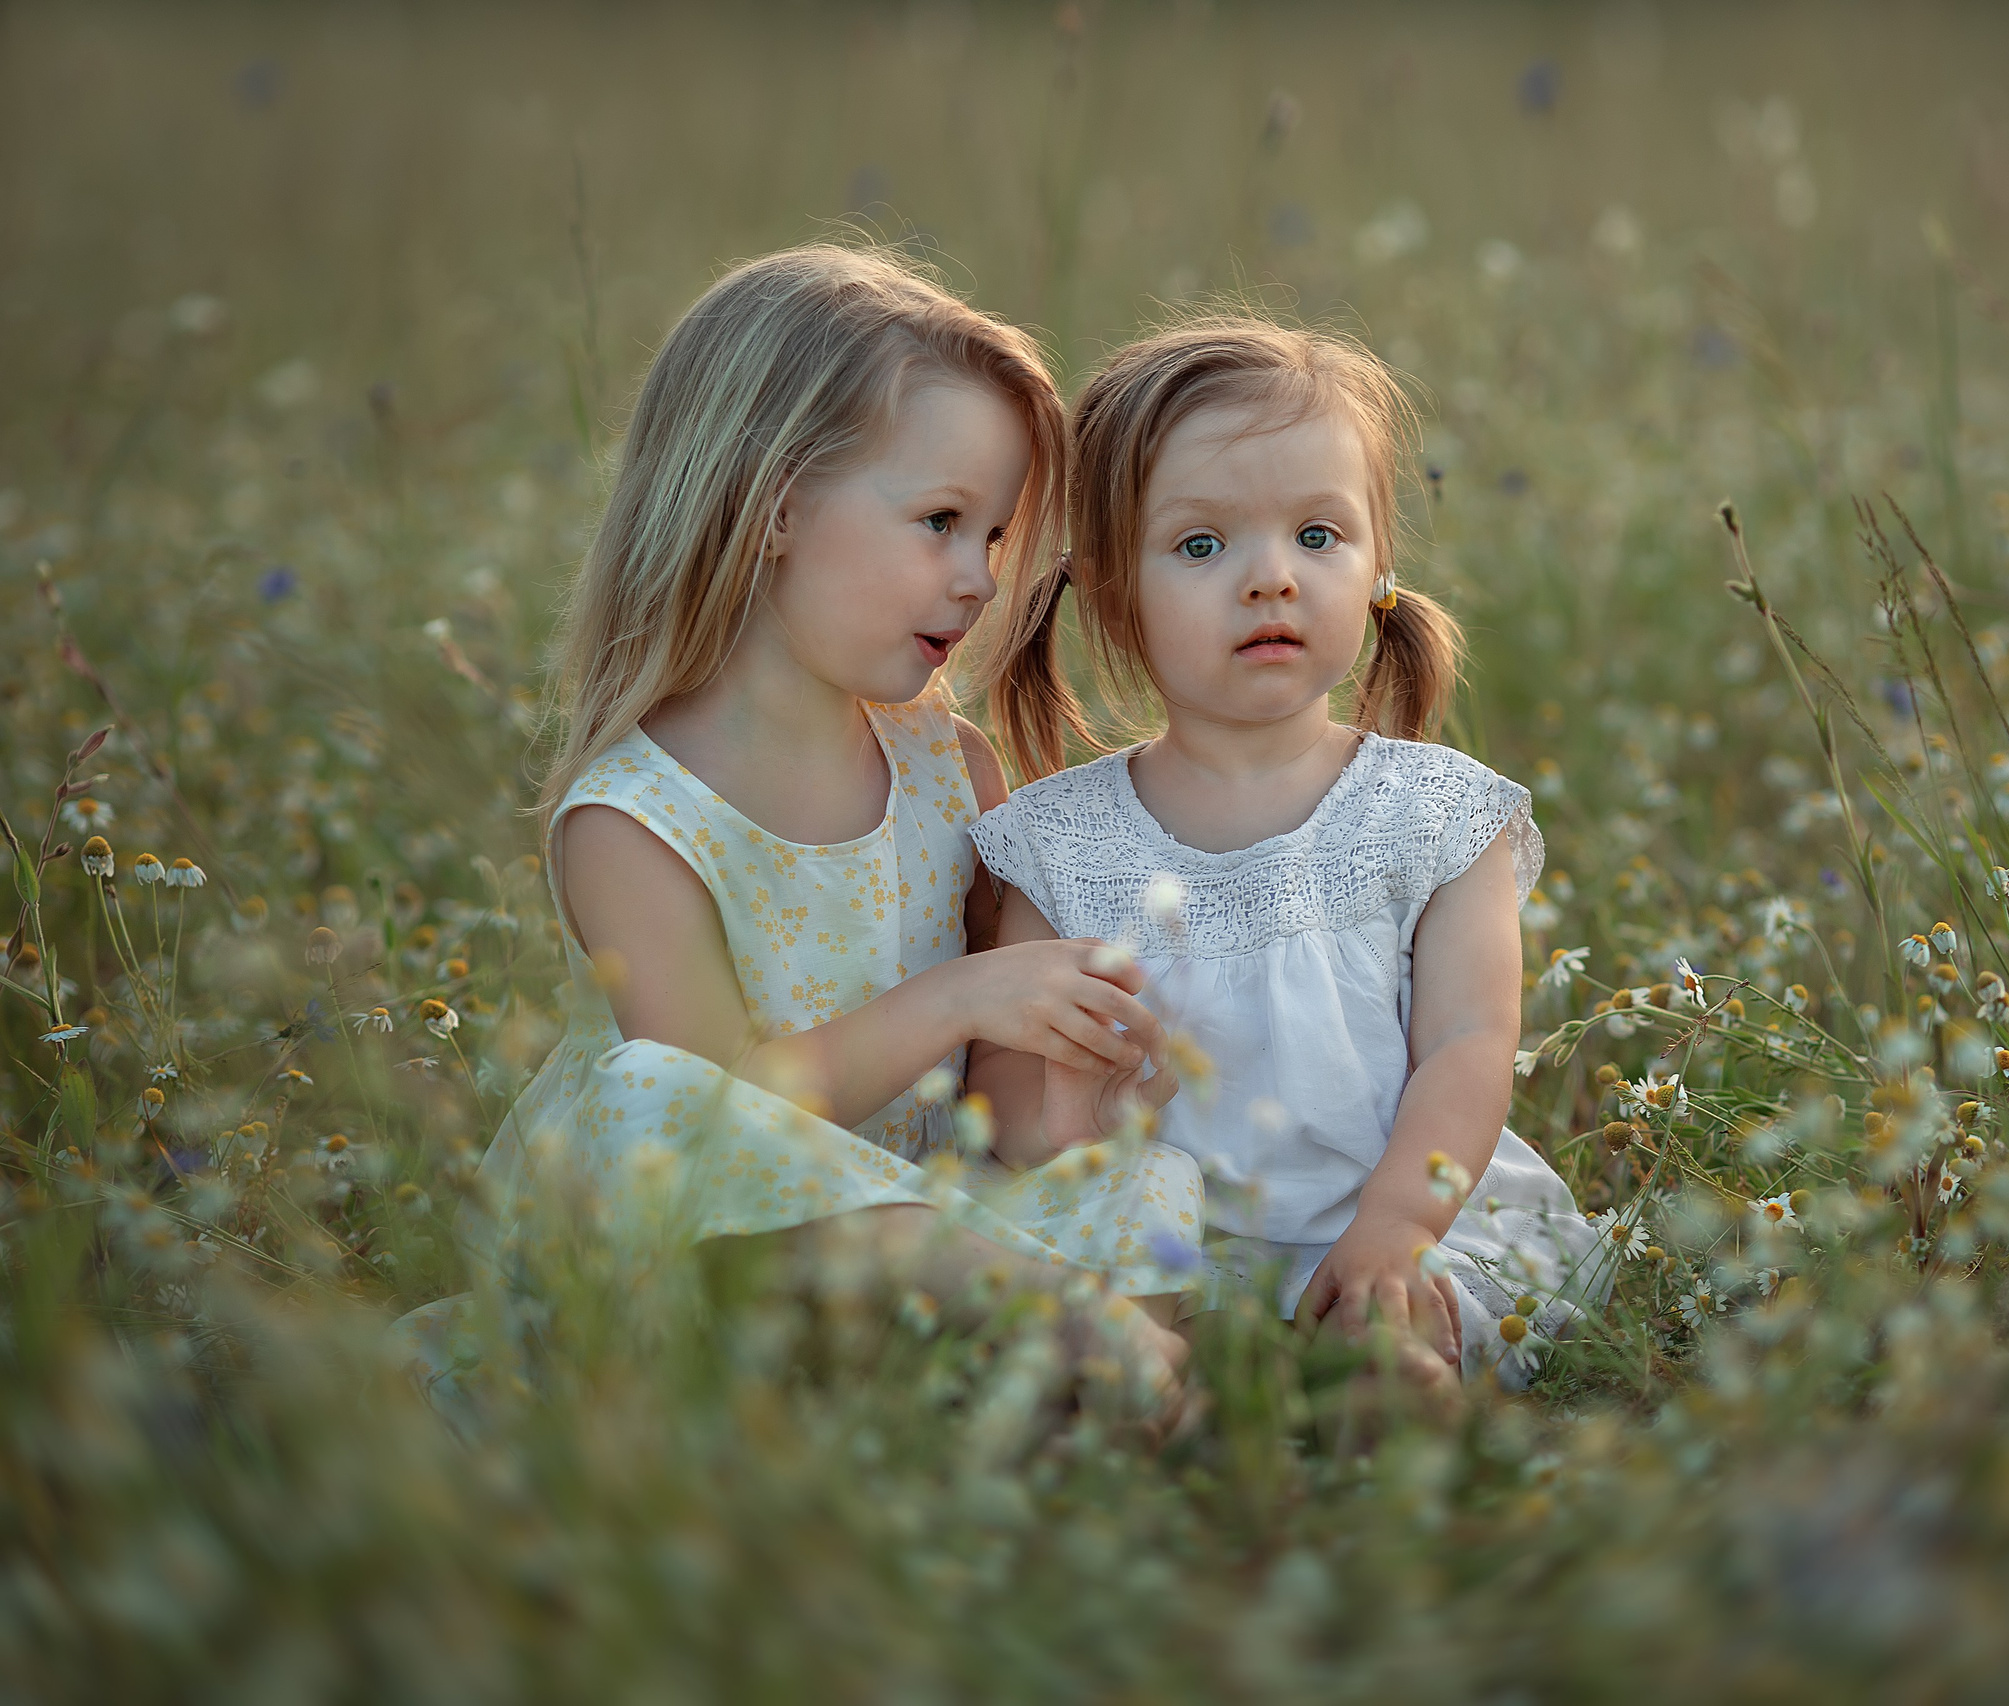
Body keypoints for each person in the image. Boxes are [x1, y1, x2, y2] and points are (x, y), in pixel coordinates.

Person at [399, 244, 1198, 1423]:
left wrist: (1064, 1073)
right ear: (773, 505)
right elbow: (716, 1106)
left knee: (1142, 1177)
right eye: (940, 520)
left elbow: (998, 1085)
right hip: (707, 1269)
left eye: (992, 536)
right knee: (642, 1101)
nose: (979, 580)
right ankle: (1050, 1330)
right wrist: (960, 999)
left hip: (921, 1233)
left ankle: (1042, 1367)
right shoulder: (637, 818)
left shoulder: (948, 769)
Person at [967, 317, 1603, 1393]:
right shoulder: (1059, 844)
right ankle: (1193, 1386)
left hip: (1401, 1216)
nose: (1271, 578)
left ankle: (1388, 1396)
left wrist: (1394, 1232)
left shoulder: (1432, 811)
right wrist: (1068, 1123)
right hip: (1170, 1256)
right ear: (1114, 592)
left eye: (1317, 535)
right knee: (1101, 1330)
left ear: (1376, 564)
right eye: (1202, 545)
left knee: (1395, 1331)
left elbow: (1467, 1040)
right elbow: (1007, 1096)